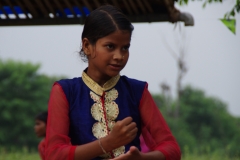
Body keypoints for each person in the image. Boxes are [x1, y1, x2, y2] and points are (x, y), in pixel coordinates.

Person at [45, 5, 181, 160]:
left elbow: (172, 149)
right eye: (110, 46)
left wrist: (141, 158)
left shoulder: (137, 91)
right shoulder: (65, 91)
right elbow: (54, 155)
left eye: (125, 48)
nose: (119, 56)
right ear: (87, 46)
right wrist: (107, 143)